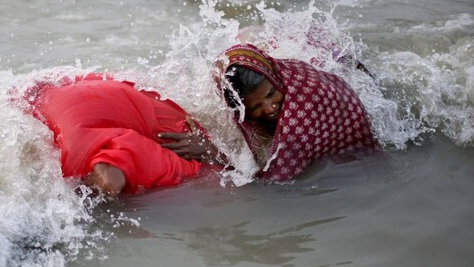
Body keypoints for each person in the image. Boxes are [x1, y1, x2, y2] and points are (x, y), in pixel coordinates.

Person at [159, 43, 379, 181]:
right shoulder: (270, 86)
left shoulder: (302, 108)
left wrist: (214, 154)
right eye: (254, 107)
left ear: (275, 77)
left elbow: (273, 183)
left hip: (356, 98)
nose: (270, 107)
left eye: (271, 93)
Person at [24, 73, 206, 196]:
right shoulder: (187, 161)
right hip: (81, 118)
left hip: (45, 94)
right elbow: (110, 179)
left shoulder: (176, 118)